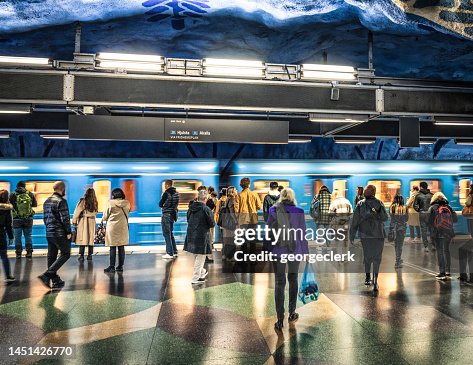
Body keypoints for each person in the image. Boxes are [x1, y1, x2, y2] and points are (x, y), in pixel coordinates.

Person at [267, 188, 309, 331]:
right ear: (292, 197)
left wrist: (266, 251)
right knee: (293, 279)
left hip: (278, 251)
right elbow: (302, 233)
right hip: (294, 250)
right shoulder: (299, 212)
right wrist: (306, 252)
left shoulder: (273, 210)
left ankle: (279, 319)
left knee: (279, 282)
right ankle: (292, 313)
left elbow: (269, 232)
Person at [350, 184, 388, 294]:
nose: (365, 191)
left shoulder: (360, 204)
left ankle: (367, 278)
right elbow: (385, 218)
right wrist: (377, 214)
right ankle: (375, 280)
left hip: (365, 235)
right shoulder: (379, 203)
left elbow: (355, 221)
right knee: (377, 257)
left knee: (367, 256)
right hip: (378, 235)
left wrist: (352, 235)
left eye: (366, 190)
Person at [38, 181, 72, 290]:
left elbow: (45, 218)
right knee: (65, 254)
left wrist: (49, 228)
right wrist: (68, 232)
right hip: (60, 233)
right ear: (62, 189)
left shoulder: (47, 201)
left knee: (51, 256)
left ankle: (55, 280)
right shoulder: (61, 201)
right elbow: (65, 218)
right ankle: (47, 274)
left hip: (49, 232)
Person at [184, 190, 214, 285]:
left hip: (191, 234)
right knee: (200, 258)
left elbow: (188, 219)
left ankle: (201, 273)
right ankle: (195, 278)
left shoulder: (191, 208)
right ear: (205, 199)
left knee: (197, 257)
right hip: (202, 235)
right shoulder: (206, 209)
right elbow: (212, 223)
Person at [429, 192, 457, 281]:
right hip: (448, 232)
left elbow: (428, 221)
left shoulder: (432, 208)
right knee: (446, 251)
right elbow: (455, 220)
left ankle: (442, 273)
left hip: (437, 233)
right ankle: (448, 271)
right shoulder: (449, 207)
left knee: (440, 251)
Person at [103, 188, 130, 273]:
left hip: (112, 228)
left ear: (113, 195)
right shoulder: (127, 203)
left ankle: (111, 267)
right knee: (121, 247)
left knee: (113, 247)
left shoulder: (110, 203)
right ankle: (120, 266)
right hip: (123, 227)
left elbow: (105, 216)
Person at [9, 181, 37, 259]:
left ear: (17, 186)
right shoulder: (30, 194)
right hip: (28, 219)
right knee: (28, 236)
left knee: (17, 237)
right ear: (25, 186)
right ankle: (29, 252)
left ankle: (18, 254)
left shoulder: (12, 194)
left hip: (16, 219)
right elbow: (35, 204)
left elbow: (9, 206)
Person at [234, 177, 263, 254]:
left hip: (243, 220)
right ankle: (252, 258)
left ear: (241, 185)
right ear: (249, 185)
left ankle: (244, 258)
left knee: (244, 239)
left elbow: (236, 210)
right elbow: (259, 206)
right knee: (252, 239)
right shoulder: (254, 194)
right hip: (252, 219)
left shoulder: (238, 195)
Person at [72, 188, 98, 262]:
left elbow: (77, 211)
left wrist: (74, 221)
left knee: (83, 238)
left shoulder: (83, 201)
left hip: (83, 221)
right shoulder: (95, 202)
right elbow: (96, 212)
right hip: (92, 221)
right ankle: (90, 255)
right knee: (90, 239)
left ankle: (81, 256)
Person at [159, 180, 179, 259]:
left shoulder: (166, 193)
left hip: (166, 215)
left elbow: (160, 204)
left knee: (166, 234)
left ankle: (169, 253)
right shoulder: (177, 193)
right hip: (172, 215)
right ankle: (175, 251)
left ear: (167, 185)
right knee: (171, 233)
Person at [388, 195, 408, 269]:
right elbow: (406, 218)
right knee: (400, 245)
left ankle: (398, 258)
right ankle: (398, 261)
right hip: (401, 228)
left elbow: (391, 217)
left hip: (393, 228)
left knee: (396, 244)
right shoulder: (404, 207)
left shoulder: (391, 207)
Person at [413, 181, 434, 252]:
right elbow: (434, 205)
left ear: (421, 187)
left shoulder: (418, 195)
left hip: (422, 214)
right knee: (432, 230)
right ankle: (434, 245)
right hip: (430, 214)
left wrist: (420, 210)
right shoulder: (432, 195)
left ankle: (426, 247)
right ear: (427, 187)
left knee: (423, 230)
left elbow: (415, 206)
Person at [0, 190, 15, 282]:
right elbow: (9, 225)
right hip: (1, 235)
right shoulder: (7, 210)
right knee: (4, 256)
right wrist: (11, 237)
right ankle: (8, 276)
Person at [459, 185, 473, 282]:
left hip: (471, 218)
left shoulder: (471, 196)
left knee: (463, 250)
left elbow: (467, 203)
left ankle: (465, 276)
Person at [221, 186, 238, 261]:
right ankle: (230, 256)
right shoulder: (232, 199)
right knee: (232, 239)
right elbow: (232, 212)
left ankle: (225, 255)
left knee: (227, 239)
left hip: (226, 221)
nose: (236, 191)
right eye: (235, 190)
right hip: (230, 222)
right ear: (232, 192)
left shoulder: (227, 199)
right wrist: (236, 221)